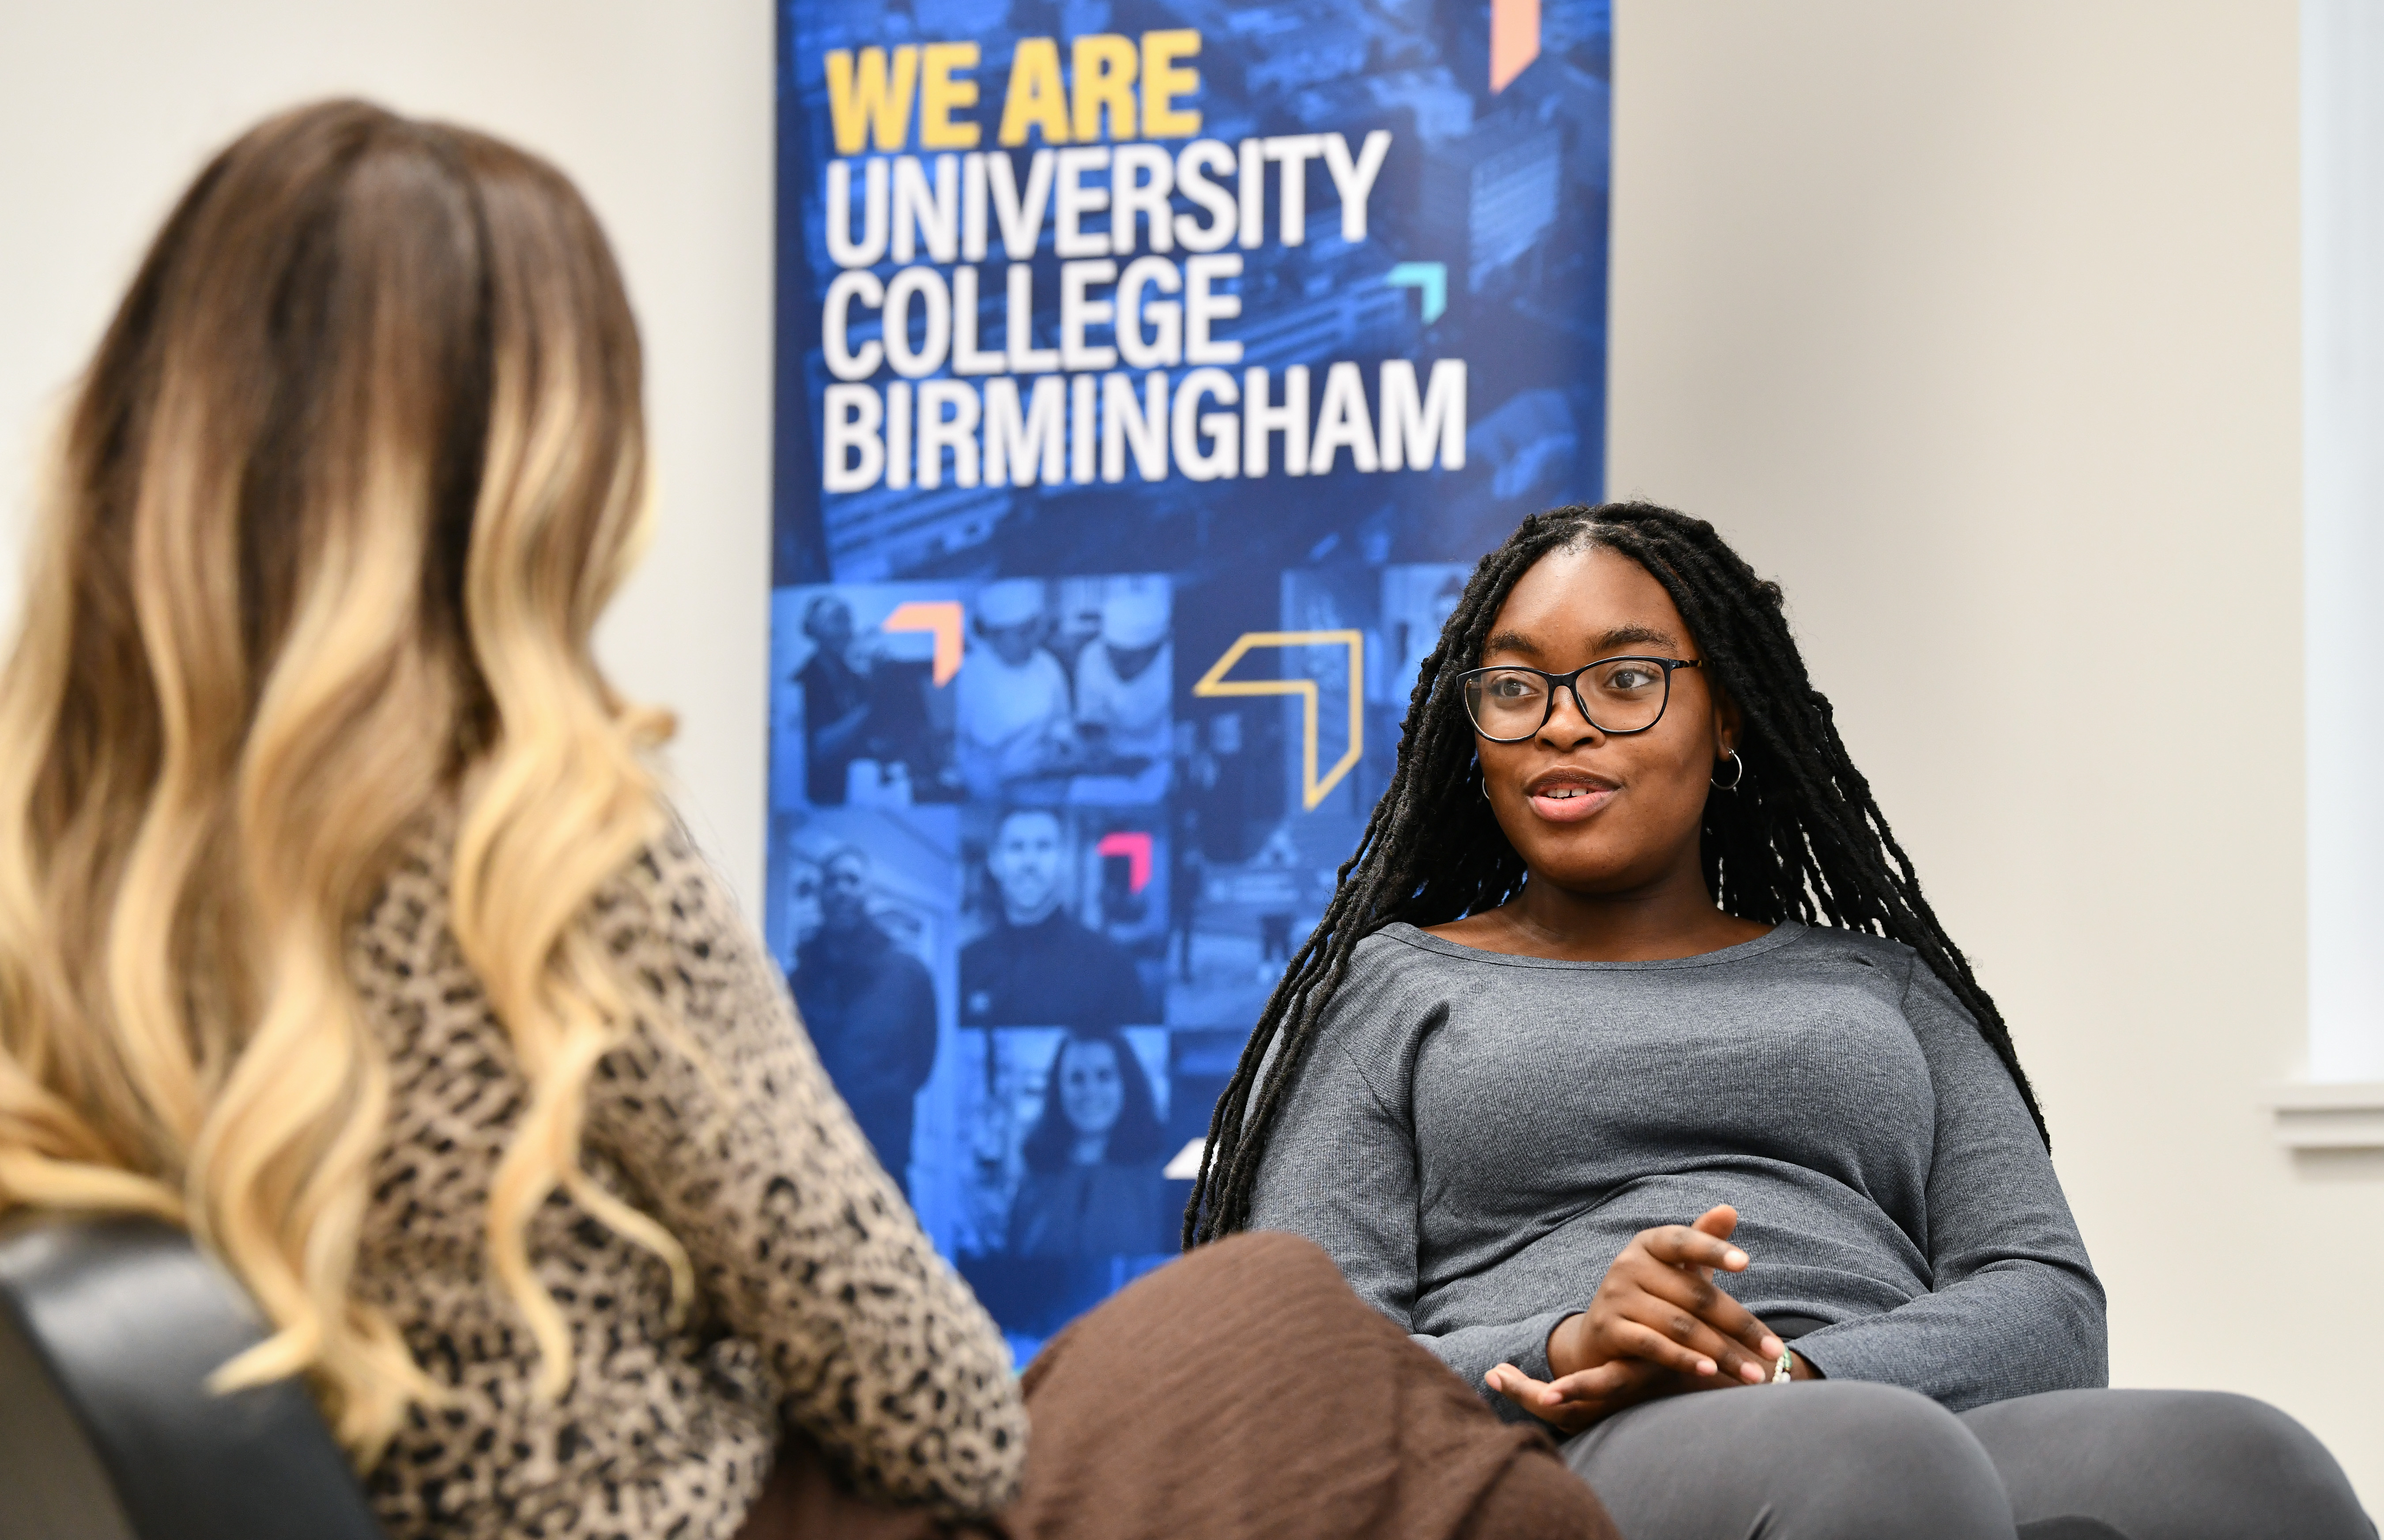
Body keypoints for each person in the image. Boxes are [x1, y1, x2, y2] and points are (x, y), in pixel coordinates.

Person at [0, 102, 1611, 1540]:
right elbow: (938, 1407)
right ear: (528, 478)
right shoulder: (535, 847)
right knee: (1287, 1326)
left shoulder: (52, 873)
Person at [1189, 504, 2376, 1540]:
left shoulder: (1885, 989)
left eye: (1626, 677)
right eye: (1516, 686)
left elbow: (2048, 1297)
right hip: (1564, 1444)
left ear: (1728, 719)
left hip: (1886, 1402)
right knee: (1873, 1465)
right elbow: (1312, 1364)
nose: (1562, 722)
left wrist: (1797, 1368)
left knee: (2244, 1460)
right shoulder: (1393, 992)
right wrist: (1566, 1344)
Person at [788, 846, 937, 1194]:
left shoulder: (910, 977)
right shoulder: (798, 982)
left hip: (883, 1160)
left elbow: (921, 1066)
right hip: (813, 1161)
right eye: (832, 881)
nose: (842, 889)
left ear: (867, 893)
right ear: (820, 895)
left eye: (852, 879)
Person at [961, 807, 1151, 1028]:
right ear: (995, 862)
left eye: (1044, 847)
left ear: (1064, 860)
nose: (1029, 863)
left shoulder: (1112, 966)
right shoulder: (966, 965)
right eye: (1016, 847)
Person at [1006, 1030, 1167, 1256]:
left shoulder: (1161, 1176)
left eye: (1104, 1076)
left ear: (1127, 1084)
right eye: (1076, 1079)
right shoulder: (1034, 1179)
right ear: (1058, 1089)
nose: (1090, 1092)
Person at [954, 579, 1074, 797]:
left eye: (1033, 629)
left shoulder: (1047, 665)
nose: (1032, 640)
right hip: (993, 792)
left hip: (1048, 784)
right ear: (993, 636)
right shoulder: (970, 674)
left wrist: (1059, 746)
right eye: (1022, 633)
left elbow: (1062, 720)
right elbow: (962, 751)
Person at [1072, 584, 1172, 764]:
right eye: (1110, 652)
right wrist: (1099, 755)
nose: (1115, 663)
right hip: (1108, 758)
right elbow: (1091, 720)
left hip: (1164, 757)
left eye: (1127, 658)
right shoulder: (1092, 656)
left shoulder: (1173, 661)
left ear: (1154, 651)